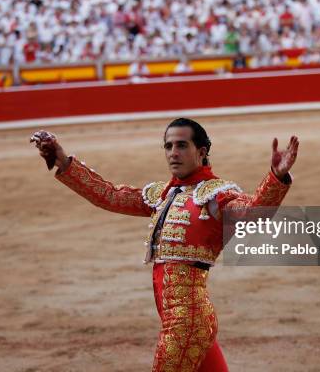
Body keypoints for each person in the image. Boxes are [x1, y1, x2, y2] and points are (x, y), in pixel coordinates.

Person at [31, 118, 299, 371]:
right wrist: (62, 160)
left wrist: (276, 177)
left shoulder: (217, 195)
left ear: (202, 151)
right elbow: (110, 196)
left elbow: (252, 212)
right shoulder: (164, 194)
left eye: (182, 145)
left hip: (186, 320)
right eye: (168, 146)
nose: (173, 152)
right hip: (185, 318)